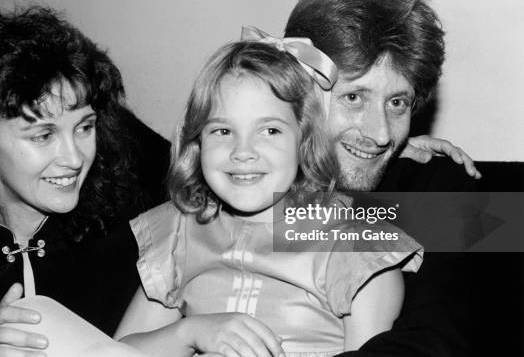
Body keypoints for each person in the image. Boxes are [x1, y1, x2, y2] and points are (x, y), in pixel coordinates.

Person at [114, 38, 424, 357]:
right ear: (198, 142)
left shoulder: (357, 248)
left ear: (304, 139)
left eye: (270, 131)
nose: (243, 152)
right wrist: (188, 333)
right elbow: (109, 353)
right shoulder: (181, 233)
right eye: (222, 131)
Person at [0, 7, 164, 355]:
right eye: (43, 135)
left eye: (84, 127)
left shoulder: (127, 223)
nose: (74, 158)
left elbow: (248, 218)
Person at [283, 0, 480, 356]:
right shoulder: (250, 180)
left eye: (397, 103)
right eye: (354, 97)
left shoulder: (440, 186)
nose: (381, 134)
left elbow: (437, 339)